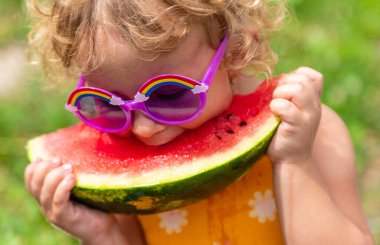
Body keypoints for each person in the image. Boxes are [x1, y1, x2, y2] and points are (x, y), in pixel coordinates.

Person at [24, 0, 374, 244]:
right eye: (105, 104)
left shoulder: (315, 134)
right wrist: (101, 234)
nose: (144, 128)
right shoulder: (129, 163)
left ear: (236, 50)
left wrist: (296, 162)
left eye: (171, 95)